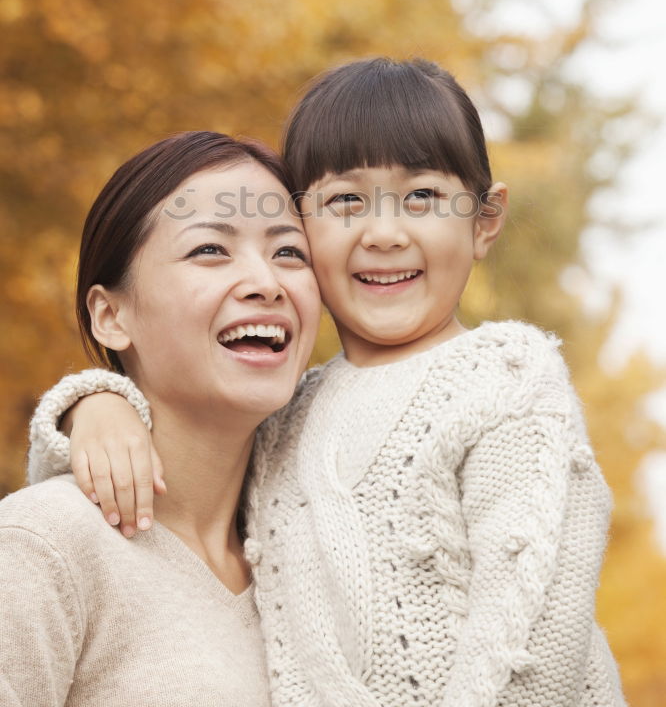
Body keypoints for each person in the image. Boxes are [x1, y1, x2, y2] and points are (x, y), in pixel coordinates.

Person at [27, 58, 626, 707]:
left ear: (485, 221)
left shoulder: (507, 380)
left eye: (422, 196)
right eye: (344, 201)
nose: (385, 233)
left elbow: (531, 635)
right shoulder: (288, 416)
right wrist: (95, 401)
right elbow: (125, 469)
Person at [0, 131, 321, 706]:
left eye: (289, 253)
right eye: (209, 250)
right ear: (111, 315)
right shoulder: (43, 543)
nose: (267, 284)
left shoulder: (313, 558)